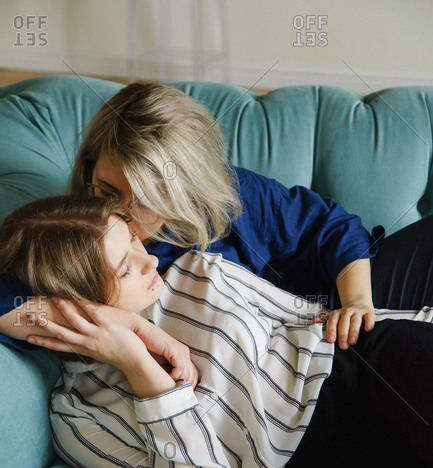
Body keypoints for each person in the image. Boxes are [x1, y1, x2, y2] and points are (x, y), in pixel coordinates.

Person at [1, 195, 432, 468]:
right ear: (79, 302)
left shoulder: (195, 270)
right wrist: (140, 365)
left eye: (133, 240)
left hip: (364, 359)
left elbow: (308, 317)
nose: (148, 259)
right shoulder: (77, 416)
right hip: (325, 459)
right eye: (124, 269)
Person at [3, 80, 433, 356]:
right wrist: (121, 324)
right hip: (307, 347)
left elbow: (333, 229)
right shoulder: (73, 238)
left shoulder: (231, 194)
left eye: (149, 198)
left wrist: (357, 302)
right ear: (90, 167)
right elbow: (10, 306)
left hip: (350, 289)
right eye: (109, 191)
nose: (124, 215)